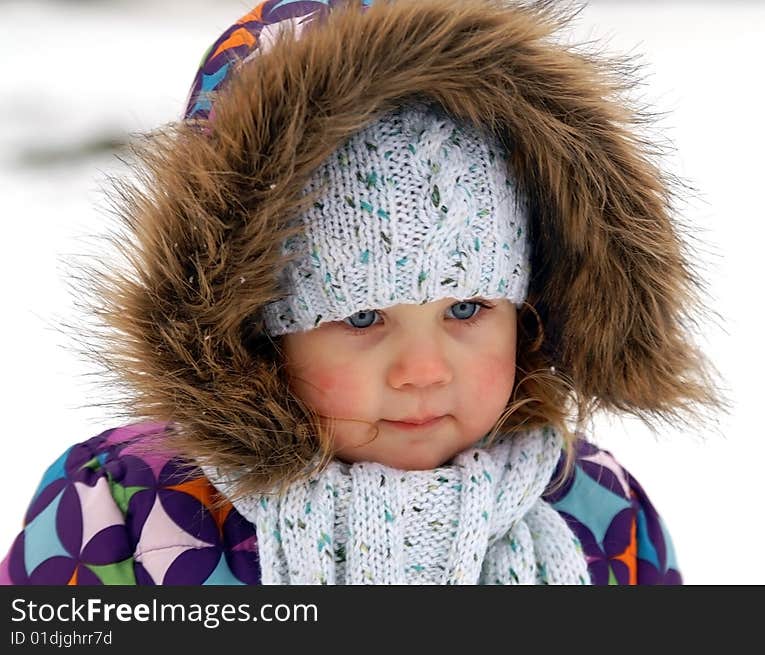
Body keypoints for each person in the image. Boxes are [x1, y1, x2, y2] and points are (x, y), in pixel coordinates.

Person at [0, 0, 727, 585]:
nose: (423, 369)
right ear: (253, 332)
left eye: (467, 308)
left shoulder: (594, 509)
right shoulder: (121, 513)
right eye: (360, 315)